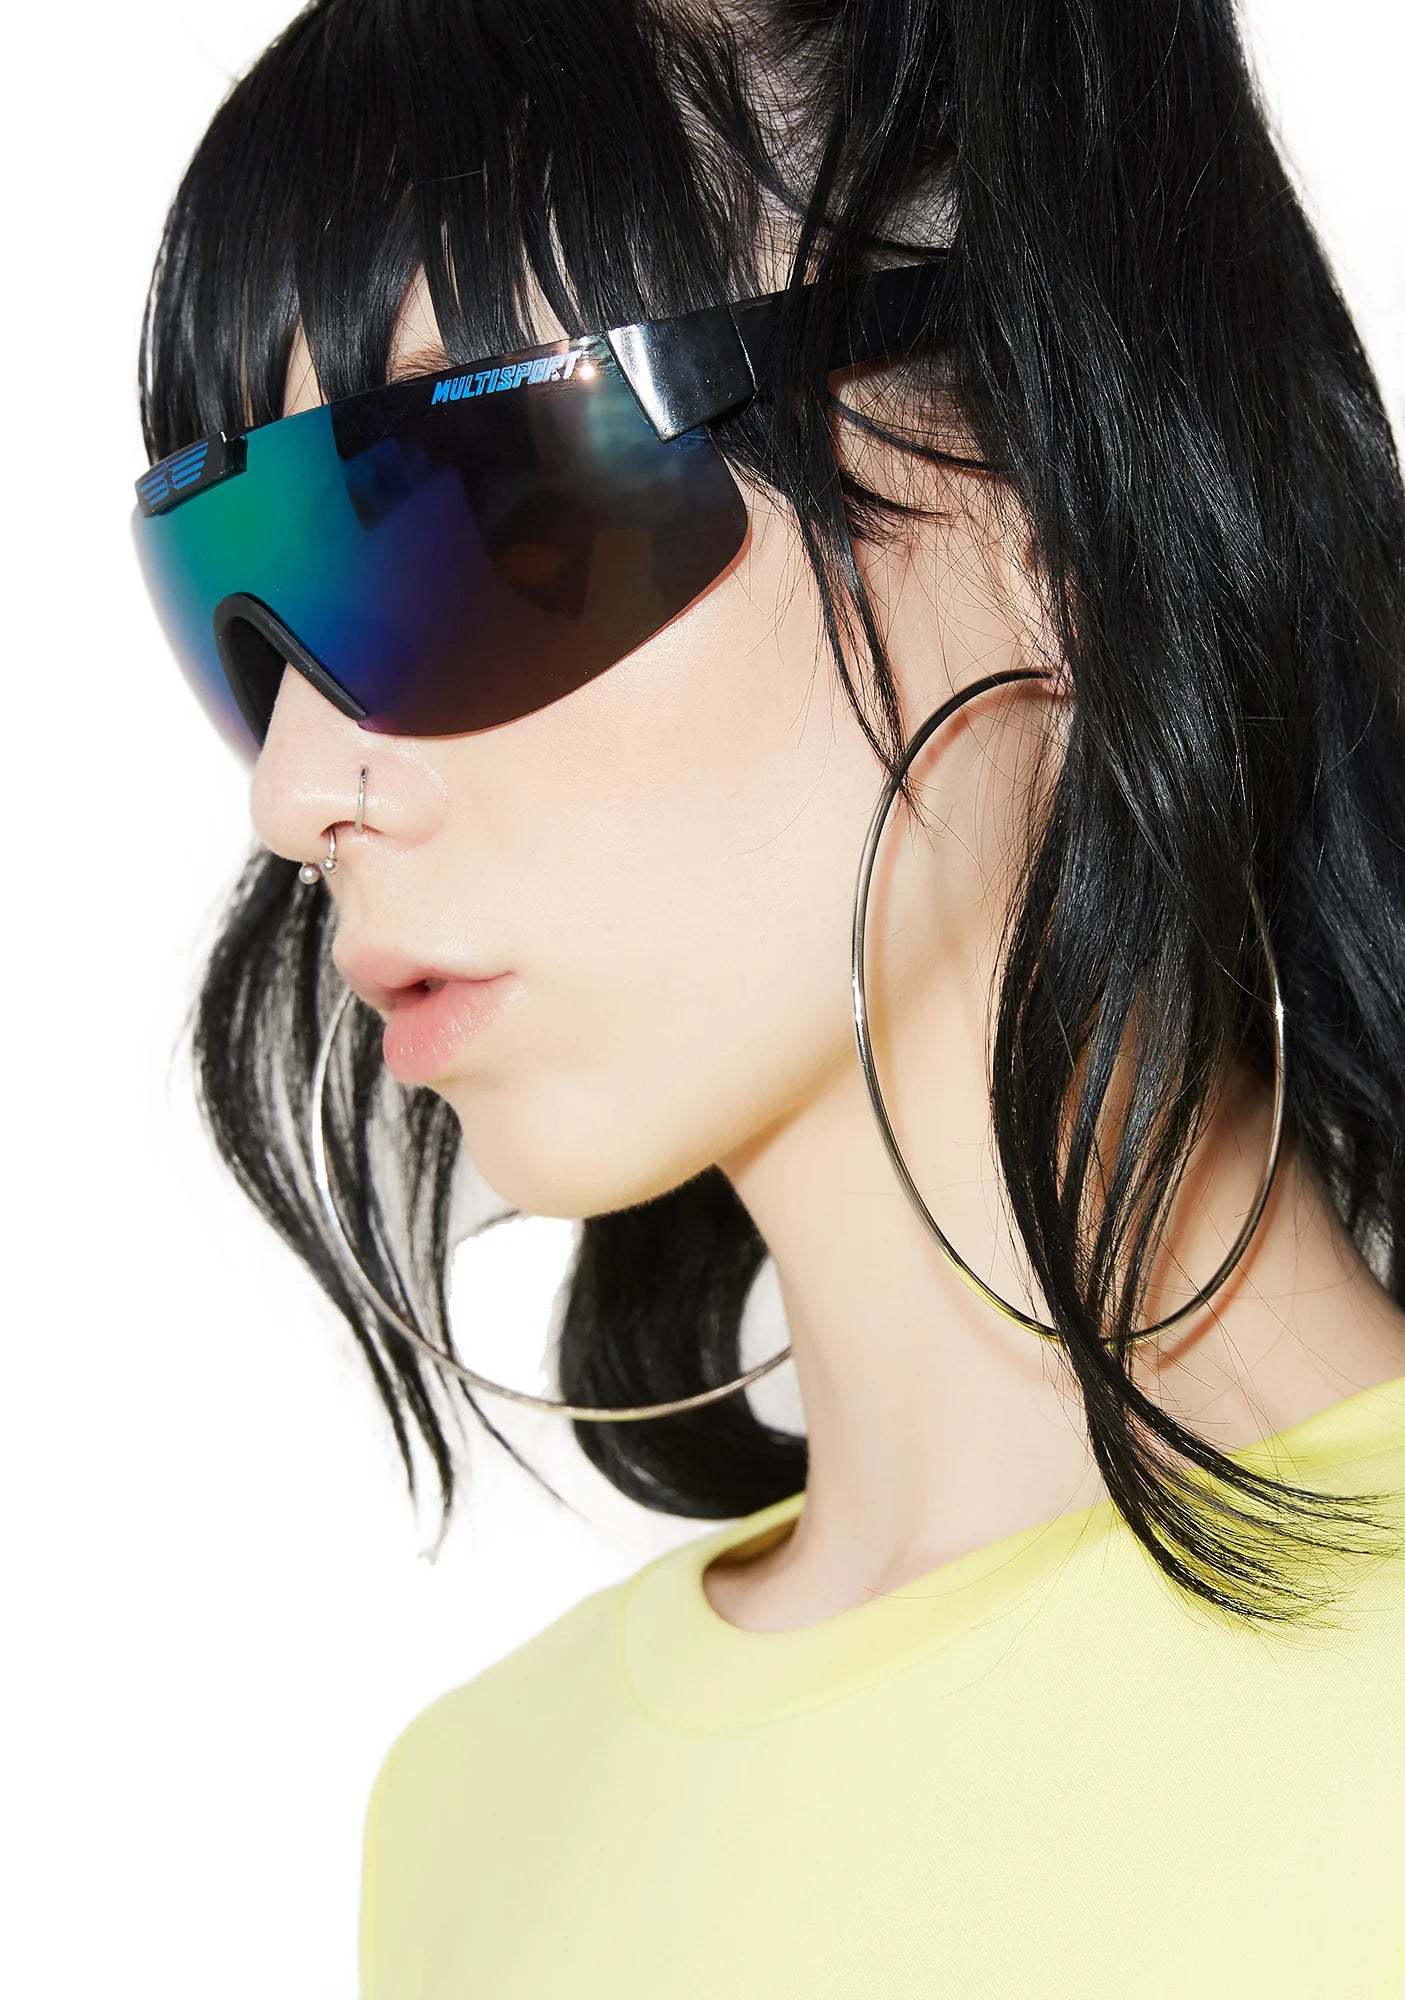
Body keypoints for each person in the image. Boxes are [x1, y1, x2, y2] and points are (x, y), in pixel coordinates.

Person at [130, 0, 1405, 1992]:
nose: (296, 791)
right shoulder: (477, 1816)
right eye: (232, 595)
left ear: (1050, 492)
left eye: (476, 514)